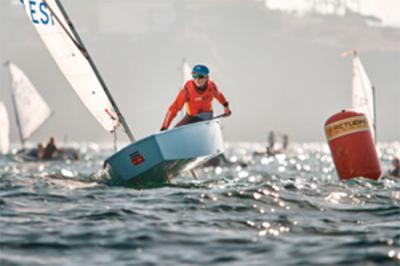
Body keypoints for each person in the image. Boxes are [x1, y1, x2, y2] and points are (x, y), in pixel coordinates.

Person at [160, 64, 231, 130]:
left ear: (207, 77)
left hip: (206, 116)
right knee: (176, 130)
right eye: (194, 76)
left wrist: (226, 106)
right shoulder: (187, 90)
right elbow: (174, 108)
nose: (197, 79)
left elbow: (219, 95)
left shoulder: (211, 86)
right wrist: (164, 127)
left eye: (200, 76)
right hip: (191, 117)